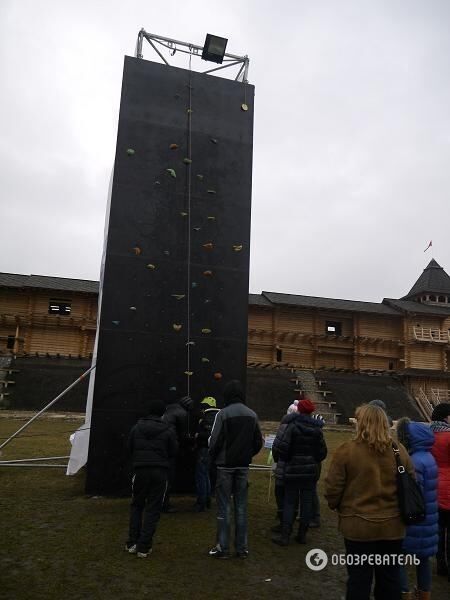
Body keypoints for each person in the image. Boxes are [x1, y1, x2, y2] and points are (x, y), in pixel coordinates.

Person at [325, 404, 415, 600]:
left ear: (361, 423)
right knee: (390, 579)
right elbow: (411, 483)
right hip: (392, 527)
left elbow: (333, 488)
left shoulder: (346, 451)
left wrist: (338, 505)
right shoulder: (399, 451)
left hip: (358, 527)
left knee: (358, 579)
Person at [208, 379, 263, 559]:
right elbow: (258, 442)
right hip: (243, 466)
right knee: (241, 507)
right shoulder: (252, 415)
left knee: (224, 508)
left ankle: (223, 547)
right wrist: (247, 455)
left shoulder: (222, 414)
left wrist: (213, 456)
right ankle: (242, 548)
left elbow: (214, 441)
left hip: (224, 466)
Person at [125, 399, 178, 558]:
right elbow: (173, 451)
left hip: (140, 470)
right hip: (159, 471)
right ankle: (144, 546)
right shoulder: (168, 430)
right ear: (163, 413)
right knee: (153, 509)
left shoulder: (136, 428)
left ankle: (133, 543)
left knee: (137, 505)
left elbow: (129, 448)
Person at [271, 398, 327, 546]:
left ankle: (285, 536)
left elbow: (283, 448)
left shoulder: (292, 426)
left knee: (290, 502)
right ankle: (302, 535)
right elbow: (322, 453)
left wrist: (290, 460)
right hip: (309, 472)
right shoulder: (317, 430)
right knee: (307, 503)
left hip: (292, 470)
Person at [396, 418, 438, 600]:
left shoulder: (415, 461)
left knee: (398, 558)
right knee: (423, 561)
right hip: (428, 519)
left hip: (415, 521)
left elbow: (413, 494)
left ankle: (404, 592)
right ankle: (424, 594)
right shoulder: (429, 458)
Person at [162, 395, 193, 512]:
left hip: (160, 447)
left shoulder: (167, 408)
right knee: (168, 477)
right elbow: (183, 435)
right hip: (169, 448)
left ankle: (158, 502)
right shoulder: (182, 413)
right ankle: (164, 504)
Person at [430, 402, 450, 581]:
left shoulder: (427, 435)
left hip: (432, 486)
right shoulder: (448, 436)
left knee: (438, 529)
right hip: (448, 488)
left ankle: (440, 564)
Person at [194, 396, 219, 511]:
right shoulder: (218, 417)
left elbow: (209, 435)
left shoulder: (208, 418)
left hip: (204, 449)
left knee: (201, 476)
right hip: (213, 451)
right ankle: (207, 500)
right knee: (206, 475)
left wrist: (198, 435)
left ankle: (201, 502)